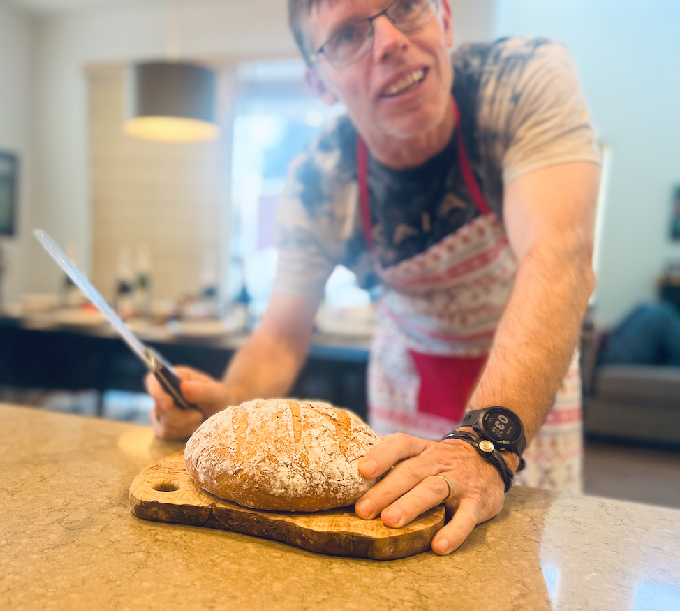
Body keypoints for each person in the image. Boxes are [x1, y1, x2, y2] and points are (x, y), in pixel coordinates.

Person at [147, 0, 599, 555]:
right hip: (408, 384)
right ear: (320, 82)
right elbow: (281, 337)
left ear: (446, 18)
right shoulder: (318, 180)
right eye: (346, 35)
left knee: (521, 561)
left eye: (406, 6)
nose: (388, 41)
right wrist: (228, 401)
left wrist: (487, 442)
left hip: (520, 403)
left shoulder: (522, 80)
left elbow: (560, 252)